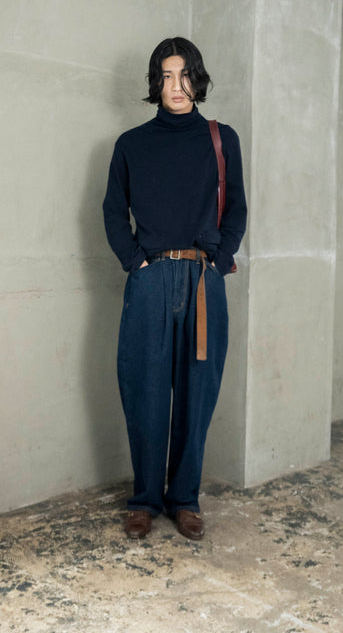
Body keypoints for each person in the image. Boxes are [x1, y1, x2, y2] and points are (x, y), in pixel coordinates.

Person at [102, 37, 247, 540]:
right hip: (151, 280)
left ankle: (184, 498)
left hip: (204, 279)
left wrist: (220, 260)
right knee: (144, 391)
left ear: (198, 79)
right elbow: (112, 211)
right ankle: (144, 500)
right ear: (155, 83)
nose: (176, 86)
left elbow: (237, 208)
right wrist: (135, 263)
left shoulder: (221, 139)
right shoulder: (131, 144)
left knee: (196, 394)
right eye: (166, 76)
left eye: (185, 75)